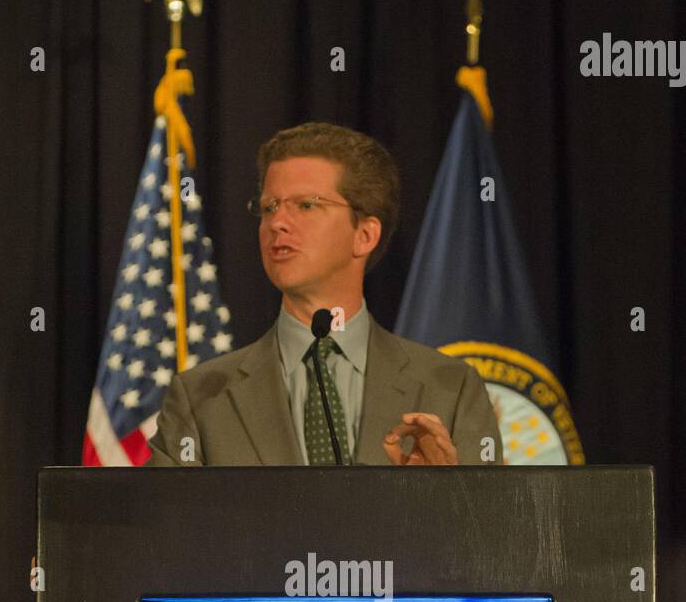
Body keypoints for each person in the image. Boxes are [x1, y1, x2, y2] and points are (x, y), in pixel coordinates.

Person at [147, 121, 502, 468]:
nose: (277, 223)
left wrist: (443, 497)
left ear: (364, 235)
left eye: (306, 205)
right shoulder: (199, 399)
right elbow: (166, 524)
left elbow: (490, 523)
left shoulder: (451, 389)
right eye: (269, 207)